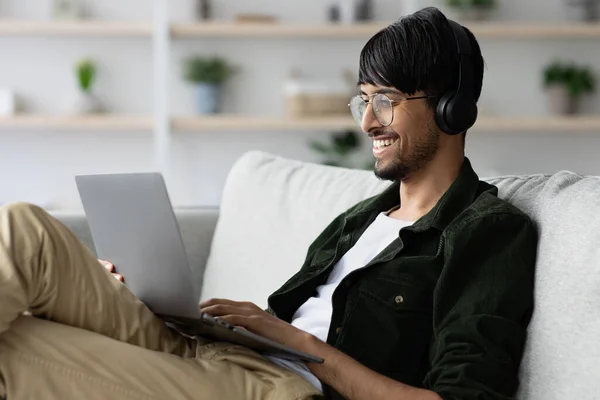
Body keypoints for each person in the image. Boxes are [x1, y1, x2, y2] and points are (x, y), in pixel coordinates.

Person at [0, 7, 537, 400]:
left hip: (279, 389)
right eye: (362, 100)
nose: (368, 122)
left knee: (18, 347)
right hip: (218, 351)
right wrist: (153, 301)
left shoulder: (486, 230)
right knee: (25, 231)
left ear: (452, 108)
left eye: (387, 101)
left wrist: (292, 338)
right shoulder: (360, 219)